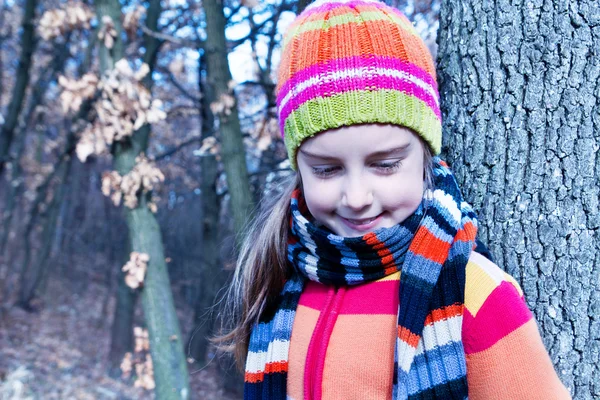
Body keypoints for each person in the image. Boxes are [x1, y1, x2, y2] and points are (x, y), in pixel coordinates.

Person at [217, 0, 571, 399]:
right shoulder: (280, 286)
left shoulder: (474, 295)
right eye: (327, 169)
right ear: (298, 165)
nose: (356, 198)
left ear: (425, 155)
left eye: (384, 164)